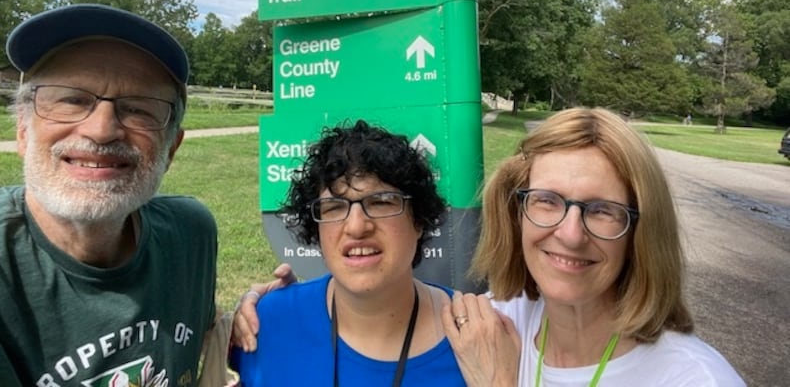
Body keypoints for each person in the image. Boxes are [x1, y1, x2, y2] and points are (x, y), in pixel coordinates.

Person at [0, 4, 223, 386]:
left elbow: (201, 336)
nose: (101, 130)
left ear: (171, 149)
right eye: (72, 99)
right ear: (23, 130)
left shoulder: (191, 235)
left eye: (138, 109)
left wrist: (267, 312)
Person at [443, 107, 745, 386]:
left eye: (602, 210)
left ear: (641, 233)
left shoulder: (695, 379)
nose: (571, 235)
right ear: (515, 213)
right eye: (547, 200)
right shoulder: (499, 324)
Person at [230, 120, 472, 386]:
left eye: (380, 202)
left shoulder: (478, 339)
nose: (356, 226)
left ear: (419, 220)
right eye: (334, 206)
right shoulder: (265, 326)